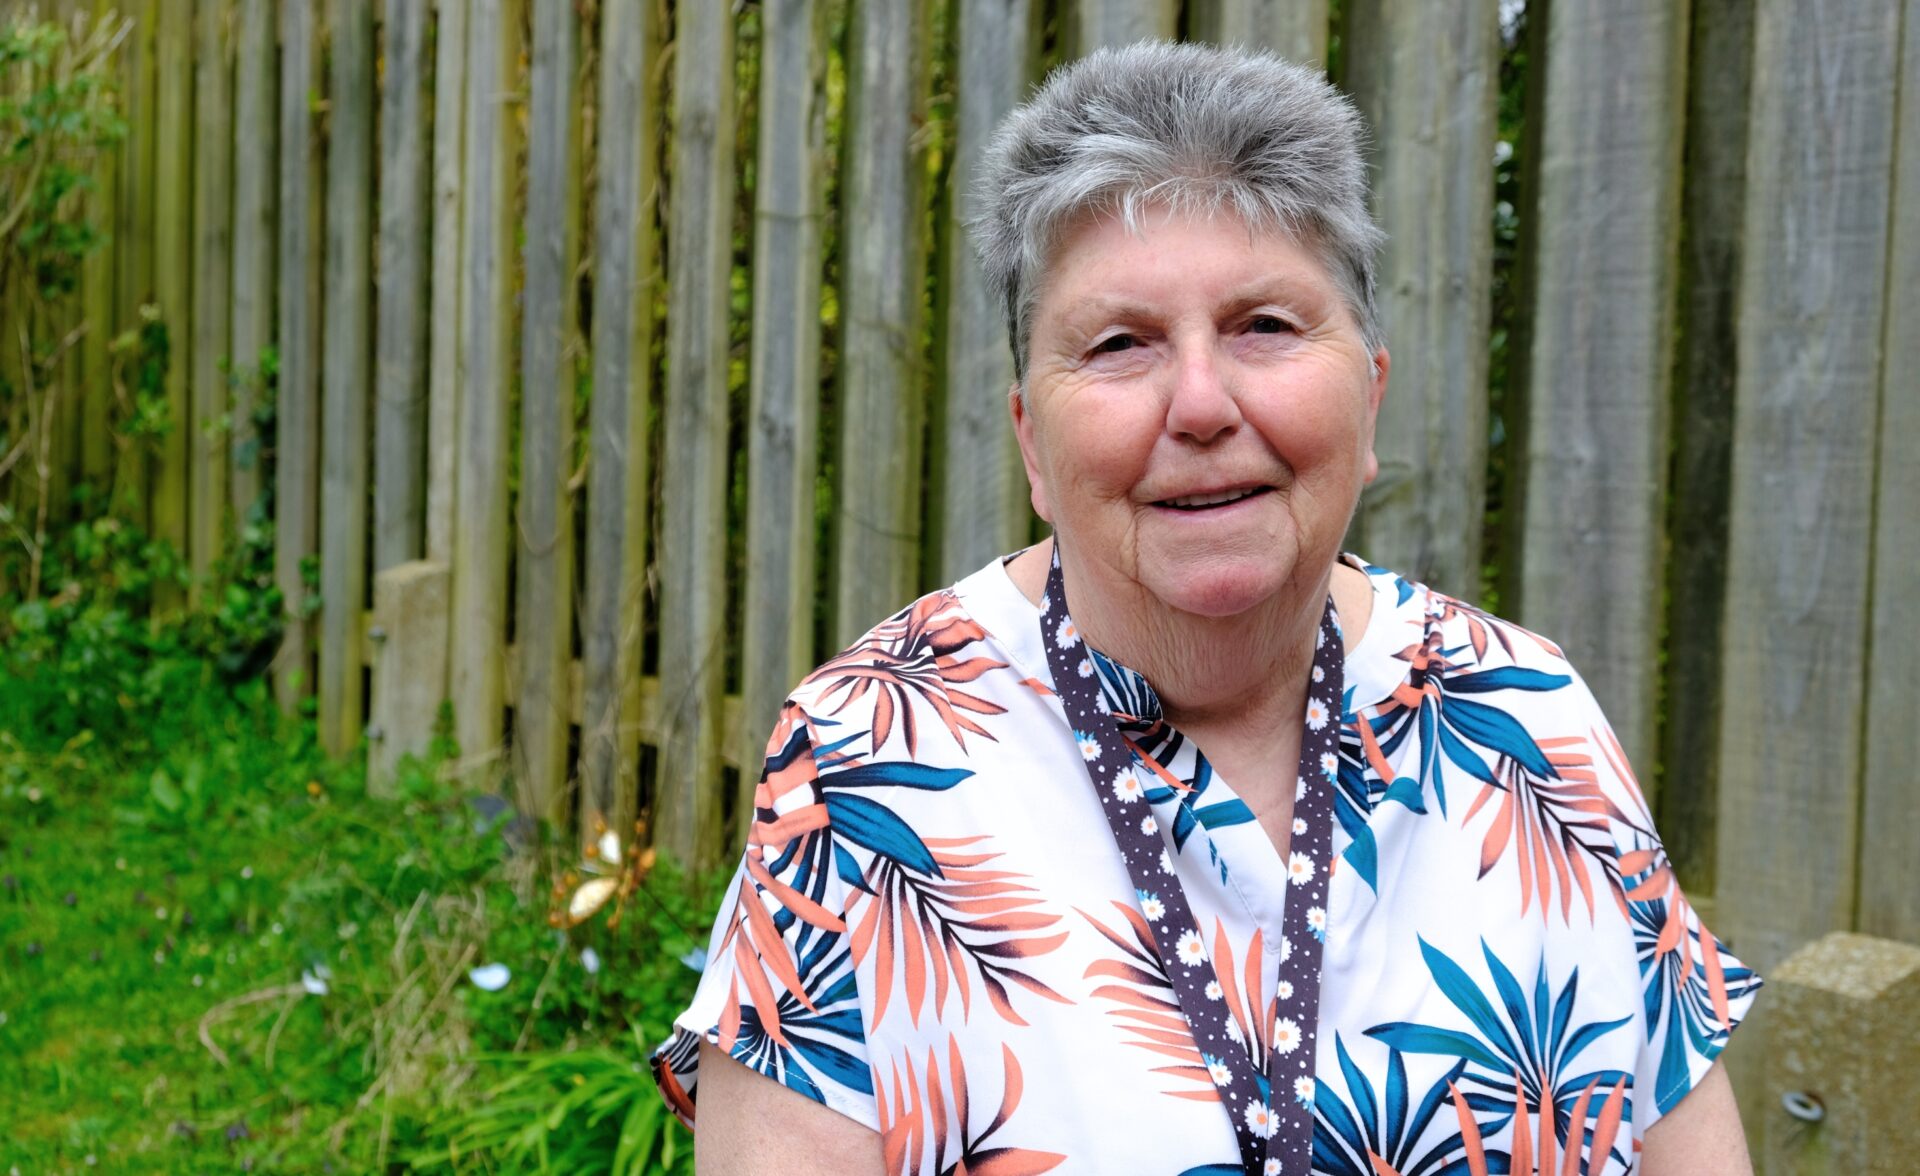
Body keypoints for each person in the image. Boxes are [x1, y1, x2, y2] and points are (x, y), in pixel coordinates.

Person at [653, 40, 1758, 1175]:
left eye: (1265, 326)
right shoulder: (869, 761)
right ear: (1033, 440)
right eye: (1120, 343)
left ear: (1368, 397)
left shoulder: (1531, 721)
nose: (1199, 403)